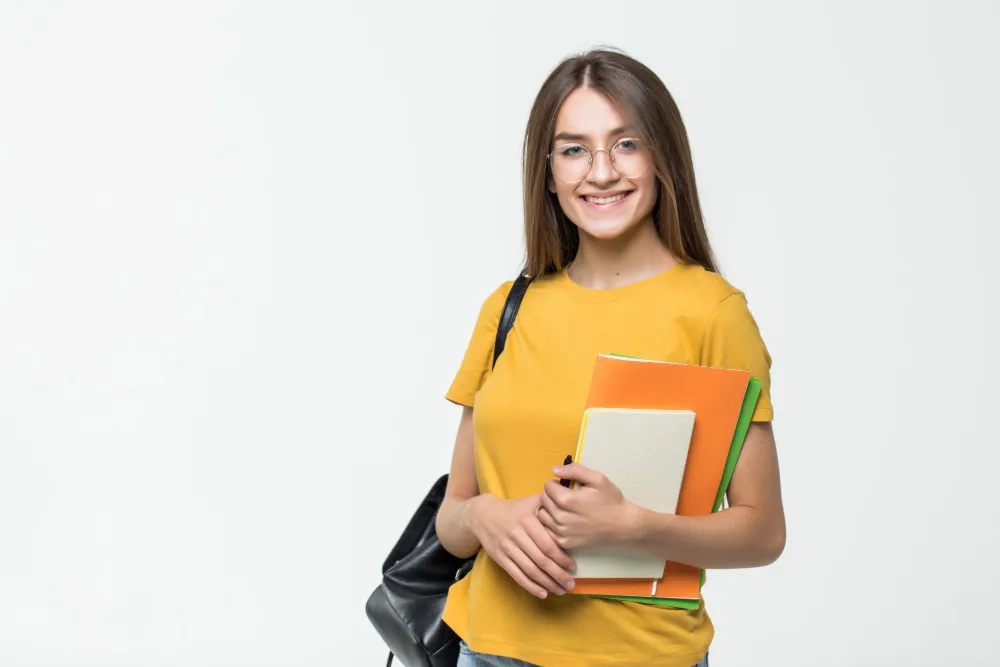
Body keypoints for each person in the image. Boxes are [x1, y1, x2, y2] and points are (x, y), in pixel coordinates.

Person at [434, 47, 786, 667]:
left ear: (662, 159)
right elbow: (452, 518)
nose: (601, 172)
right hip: (485, 652)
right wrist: (487, 515)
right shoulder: (508, 307)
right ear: (548, 174)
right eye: (574, 149)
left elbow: (762, 532)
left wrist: (633, 526)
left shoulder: (712, 313)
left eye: (626, 144)